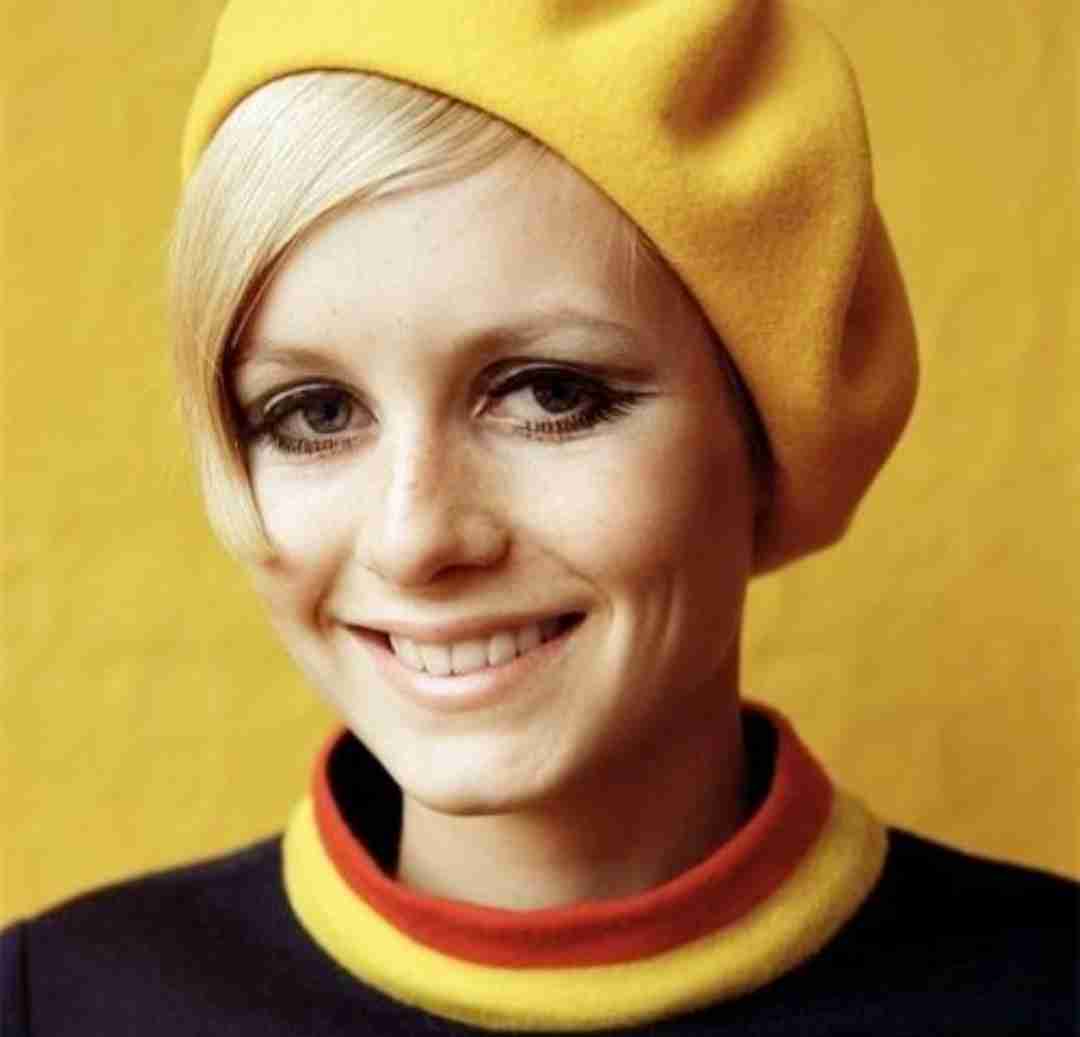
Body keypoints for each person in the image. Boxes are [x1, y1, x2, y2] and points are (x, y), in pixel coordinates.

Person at [2, 1, 1076, 1033]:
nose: (414, 537)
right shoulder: (51, 1004)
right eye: (314, 413)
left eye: (550, 394)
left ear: (766, 432)